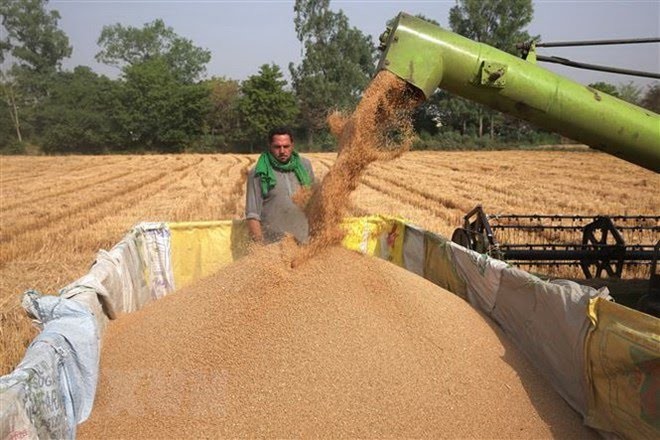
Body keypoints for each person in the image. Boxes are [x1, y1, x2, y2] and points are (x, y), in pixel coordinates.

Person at [245, 127, 315, 244]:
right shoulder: (259, 172)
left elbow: (314, 203)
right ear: (270, 146)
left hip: (304, 243)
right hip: (274, 245)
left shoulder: (305, 166)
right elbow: (253, 215)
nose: (282, 151)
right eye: (277, 147)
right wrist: (260, 249)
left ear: (292, 145)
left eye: (286, 146)